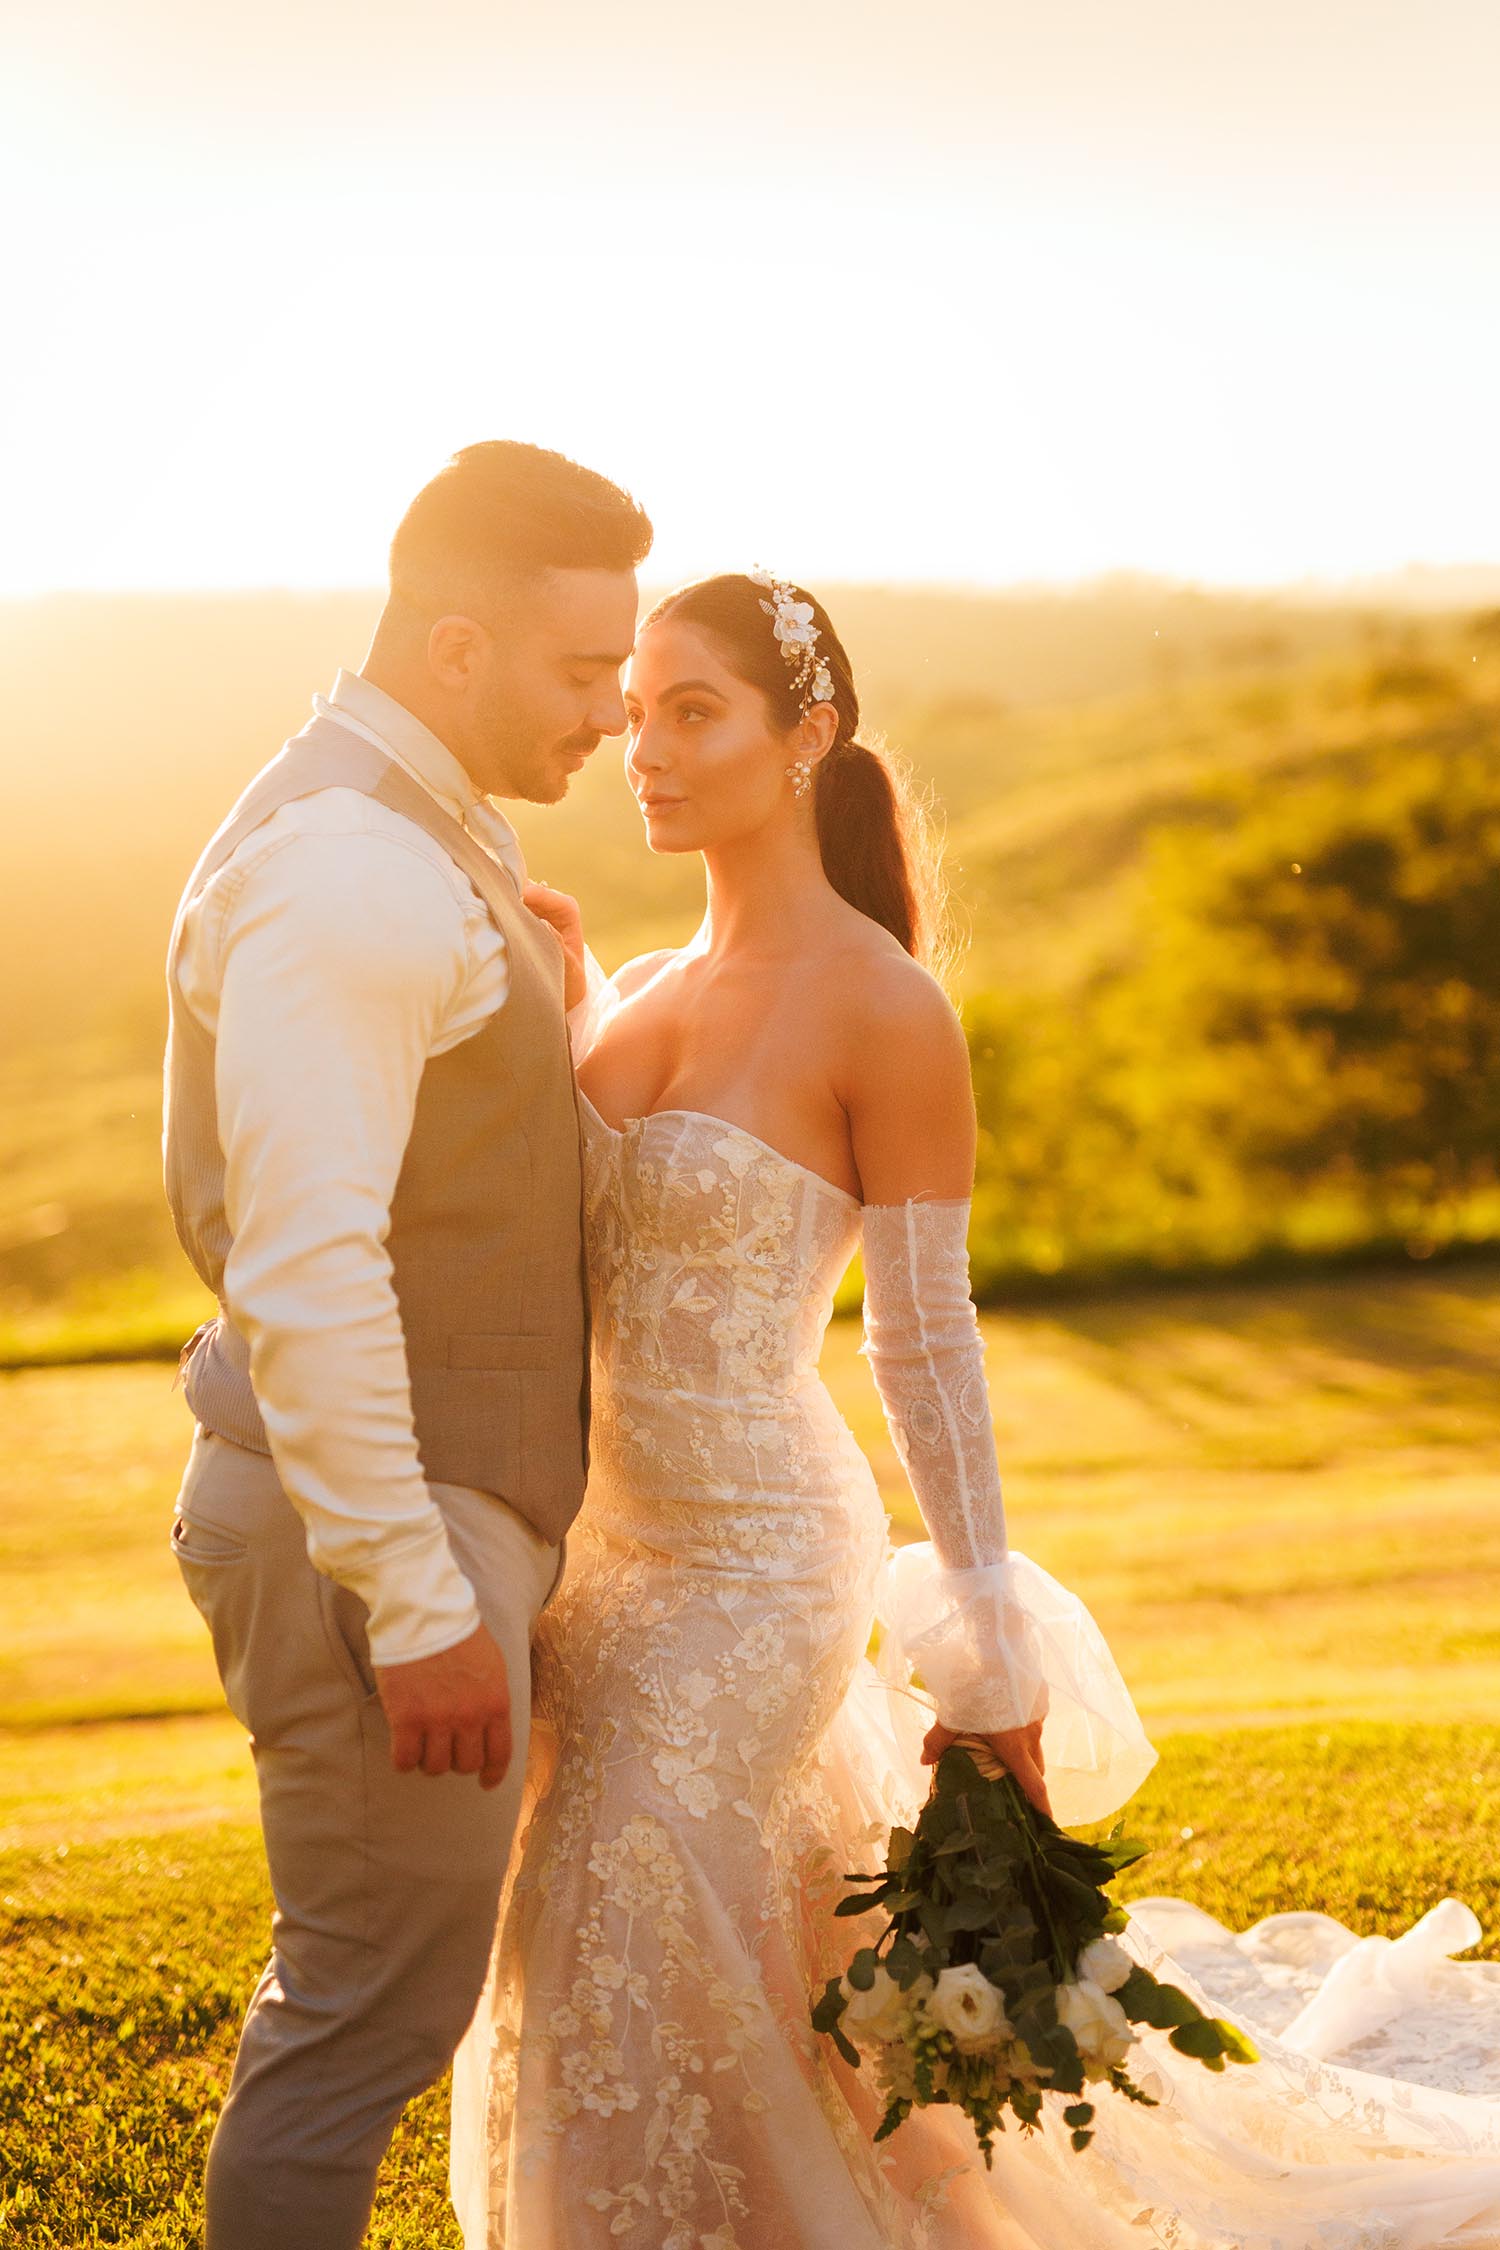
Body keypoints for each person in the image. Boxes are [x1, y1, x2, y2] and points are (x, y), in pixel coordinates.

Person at [452, 572, 1500, 2248]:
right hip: (604, 1564)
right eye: (633, 707)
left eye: (691, 709)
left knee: (622, 1876)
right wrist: (570, 1002)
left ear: (811, 734)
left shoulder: (885, 1005)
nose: (641, 745)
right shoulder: (632, 987)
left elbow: (922, 1344)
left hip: (762, 1561)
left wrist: (990, 1644)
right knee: (663, 1923)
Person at [162, 440, 651, 2250]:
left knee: (380, 2003)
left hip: (430, 1519)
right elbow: (307, 1263)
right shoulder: (353, 868)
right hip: (382, 1537)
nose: (613, 709)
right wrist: (420, 1595)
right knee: (363, 2022)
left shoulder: (429, 829)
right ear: (453, 650)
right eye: (580, 670)